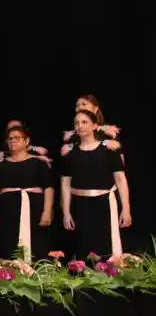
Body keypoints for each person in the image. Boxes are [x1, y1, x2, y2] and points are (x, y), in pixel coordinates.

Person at [61, 109, 130, 261]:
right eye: (77, 123)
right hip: (80, 207)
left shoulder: (109, 150)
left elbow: (121, 180)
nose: (80, 126)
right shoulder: (70, 154)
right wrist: (66, 212)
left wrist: (126, 209)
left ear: (94, 126)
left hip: (105, 205)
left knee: (105, 250)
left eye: (84, 122)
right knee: (83, 250)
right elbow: (65, 186)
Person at [0, 124, 54, 261]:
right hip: (8, 213)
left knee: (36, 245)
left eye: (17, 138)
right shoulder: (0, 166)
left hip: (34, 212)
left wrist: (47, 211)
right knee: (8, 246)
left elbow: (48, 188)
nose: (13, 141)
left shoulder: (38, 163)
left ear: (27, 141)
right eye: (10, 138)